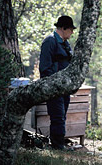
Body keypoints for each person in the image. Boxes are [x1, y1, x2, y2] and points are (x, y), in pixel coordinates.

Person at [39, 16, 76, 150]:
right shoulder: (50, 41)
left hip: (64, 88)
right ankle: (58, 147)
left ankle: (58, 144)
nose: (72, 32)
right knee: (57, 117)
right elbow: (44, 68)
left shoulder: (65, 43)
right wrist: (53, 84)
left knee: (61, 116)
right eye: (71, 29)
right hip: (54, 87)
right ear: (63, 28)